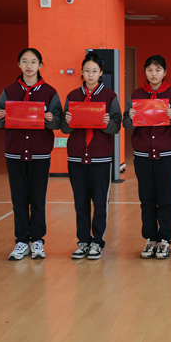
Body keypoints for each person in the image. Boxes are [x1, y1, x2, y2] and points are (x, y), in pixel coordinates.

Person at [0, 48, 63, 261]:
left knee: (37, 198)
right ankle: (21, 242)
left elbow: (58, 122)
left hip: (39, 153)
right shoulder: (8, 91)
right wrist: (1, 116)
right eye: (24, 61)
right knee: (18, 199)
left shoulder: (50, 92)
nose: (29, 65)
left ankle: (37, 240)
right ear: (19, 64)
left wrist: (50, 119)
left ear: (40, 65)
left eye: (33, 61)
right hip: (14, 153)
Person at [123, 55, 171, 259]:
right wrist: (130, 118)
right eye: (150, 70)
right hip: (142, 155)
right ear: (145, 72)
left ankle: (164, 240)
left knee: (165, 198)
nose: (154, 74)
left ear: (165, 72)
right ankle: (150, 239)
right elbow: (126, 123)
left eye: (158, 70)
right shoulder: (136, 95)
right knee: (147, 198)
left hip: (167, 155)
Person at [61, 51, 122, 260]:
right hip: (76, 157)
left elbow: (116, 126)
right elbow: (64, 129)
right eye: (87, 70)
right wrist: (68, 121)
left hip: (100, 157)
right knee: (80, 202)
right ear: (82, 72)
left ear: (101, 73)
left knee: (99, 201)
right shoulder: (72, 96)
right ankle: (83, 241)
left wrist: (107, 123)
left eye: (94, 71)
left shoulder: (110, 96)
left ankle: (97, 241)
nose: (90, 74)